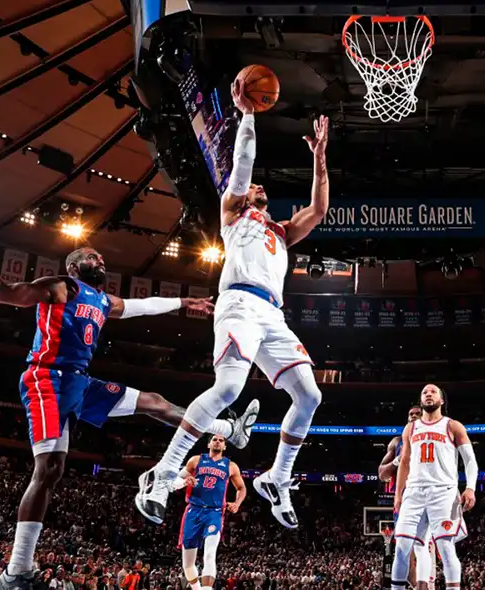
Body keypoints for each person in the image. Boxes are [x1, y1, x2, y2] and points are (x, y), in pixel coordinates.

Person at [0, 213, 259, 590]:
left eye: (101, 259)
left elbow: (143, 306)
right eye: (93, 257)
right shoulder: (59, 287)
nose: (101, 261)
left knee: (155, 403)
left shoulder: (103, 300)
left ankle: (228, 428)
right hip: (48, 379)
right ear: (75, 266)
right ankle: (17, 570)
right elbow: (0, 293)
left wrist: (184, 302)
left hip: (80, 382)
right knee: (50, 470)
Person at [136, 75, 331, 529]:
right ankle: (164, 472)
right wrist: (247, 116)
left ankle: (277, 478)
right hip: (239, 304)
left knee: (310, 394)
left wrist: (320, 159)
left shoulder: (281, 231)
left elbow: (318, 210)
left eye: (262, 188)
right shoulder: (233, 212)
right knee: (227, 389)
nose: (257, 188)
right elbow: (241, 165)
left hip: (272, 314)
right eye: (253, 187)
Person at [391, 384, 478, 590]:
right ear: (421, 401)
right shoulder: (410, 428)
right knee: (402, 547)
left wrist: (471, 487)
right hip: (414, 492)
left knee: (446, 548)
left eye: (433, 392)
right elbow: (404, 463)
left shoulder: (453, 426)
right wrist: (398, 495)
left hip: (443, 492)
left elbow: (470, 460)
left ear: (441, 401)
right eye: (424, 392)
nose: (428, 394)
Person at [174, 434, 245, 590]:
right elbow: (174, 482)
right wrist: (184, 482)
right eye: (215, 439)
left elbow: (241, 488)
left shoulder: (231, 466)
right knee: (188, 564)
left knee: (210, 553)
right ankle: (197, 588)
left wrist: (237, 503)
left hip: (214, 512)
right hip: (193, 511)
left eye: (221, 440)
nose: (218, 442)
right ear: (209, 444)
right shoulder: (196, 460)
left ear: (225, 446)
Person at [378, 405, 435, 590]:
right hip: (404, 500)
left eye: (418, 414)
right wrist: (398, 459)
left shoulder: (435, 438)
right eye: (411, 414)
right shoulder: (396, 442)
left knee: (426, 548)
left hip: (430, 498)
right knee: (405, 550)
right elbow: (382, 474)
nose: (414, 417)